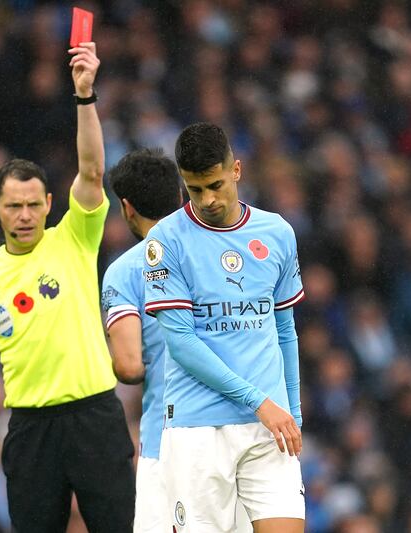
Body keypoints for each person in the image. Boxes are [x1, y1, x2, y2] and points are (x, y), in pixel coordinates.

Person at [0, 42, 135, 532]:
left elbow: (93, 170)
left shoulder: (74, 237)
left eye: (34, 204)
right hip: (30, 429)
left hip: (95, 417)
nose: (26, 216)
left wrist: (84, 96)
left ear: (50, 203)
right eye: (14, 206)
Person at [142, 123, 305, 533]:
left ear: (236, 170)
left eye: (215, 185)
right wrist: (260, 401)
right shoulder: (165, 241)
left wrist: (294, 411)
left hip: (269, 424)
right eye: (195, 190)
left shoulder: (277, 233)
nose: (208, 199)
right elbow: (181, 343)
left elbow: (285, 330)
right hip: (199, 427)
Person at [101, 149, 184, 532]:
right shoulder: (222, 255)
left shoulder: (125, 271)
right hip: (239, 426)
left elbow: (130, 366)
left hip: (167, 437)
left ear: (127, 207)